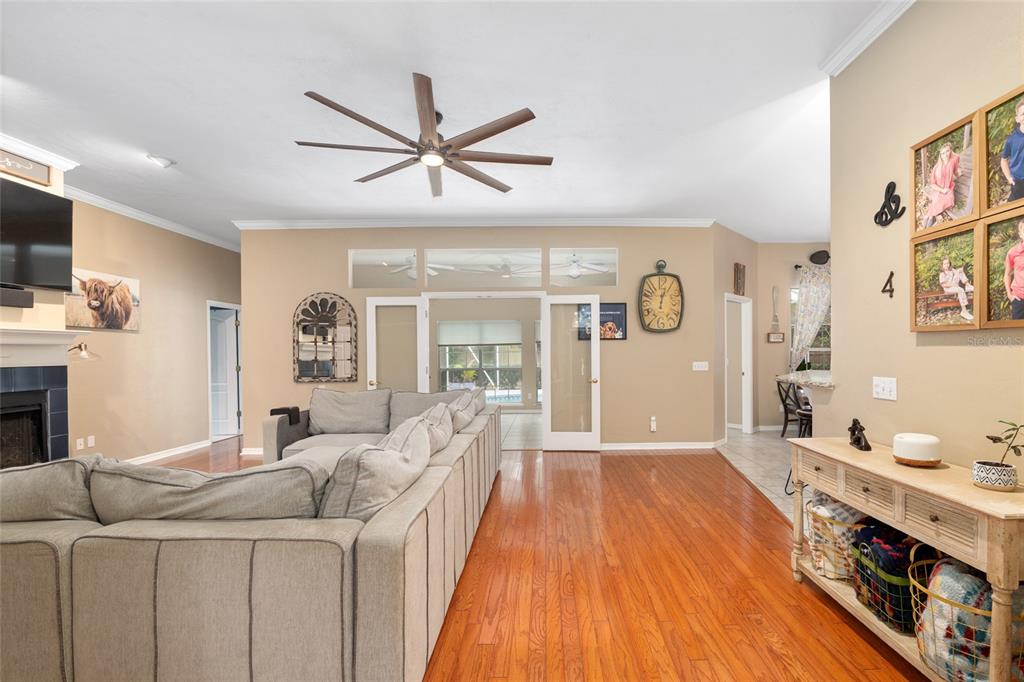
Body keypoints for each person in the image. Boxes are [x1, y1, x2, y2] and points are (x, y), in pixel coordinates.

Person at [923, 142, 961, 228]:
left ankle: (929, 217)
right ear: (940, 155)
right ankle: (929, 218)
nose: (945, 154)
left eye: (947, 151)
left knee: (948, 200)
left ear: (950, 151)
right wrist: (942, 190)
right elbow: (933, 184)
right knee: (937, 201)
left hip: (948, 188)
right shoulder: (937, 167)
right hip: (938, 189)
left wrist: (958, 174)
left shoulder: (953, 160)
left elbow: (957, 158)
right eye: (943, 153)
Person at [1000, 98, 1024, 202]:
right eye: (1023, 114)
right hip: (1019, 182)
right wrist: (1009, 178)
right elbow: (1003, 160)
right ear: (1017, 119)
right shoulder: (1011, 140)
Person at [939, 256, 974, 321]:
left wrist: (961, 270)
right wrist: (953, 285)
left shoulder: (951, 270)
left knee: (959, 271)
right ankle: (964, 311)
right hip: (948, 288)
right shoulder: (942, 273)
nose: (946, 265)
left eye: (948, 263)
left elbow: (958, 274)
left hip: (954, 285)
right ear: (942, 265)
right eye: (945, 264)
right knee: (960, 290)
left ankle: (968, 285)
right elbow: (943, 285)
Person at [1003, 217, 1024, 320]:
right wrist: (1009, 294)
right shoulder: (1013, 252)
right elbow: (1007, 274)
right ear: (1020, 234)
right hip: (1019, 301)